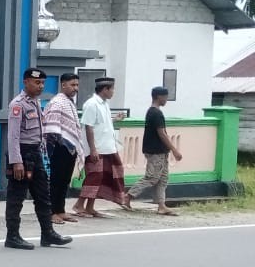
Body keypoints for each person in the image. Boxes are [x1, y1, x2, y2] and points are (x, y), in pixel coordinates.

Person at [4, 68, 72, 250]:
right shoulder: (18, 104)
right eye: (37, 83)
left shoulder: (36, 102)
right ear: (26, 82)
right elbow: (13, 136)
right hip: (22, 155)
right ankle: (12, 236)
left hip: (35, 155)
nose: (40, 86)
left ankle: (48, 234)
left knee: (43, 196)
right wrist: (16, 161)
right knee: (16, 197)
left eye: (42, 83)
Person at [73, 76, 131, 218]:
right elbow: (89, 127)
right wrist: (93, 149)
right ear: (105, 89)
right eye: (112, 89)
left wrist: (115, 119)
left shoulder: (103, 104)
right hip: (97, 149)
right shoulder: (92, 104)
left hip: (108, 148)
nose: (113, 92)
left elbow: (101, 123)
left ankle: (90, 207)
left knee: (103, 177)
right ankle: (79, 205)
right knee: (94, 176)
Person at [125, 87, 183, 215]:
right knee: (152, 177)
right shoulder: (156, 113)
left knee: (163, 178)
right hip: (155, 151)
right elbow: (162, 133)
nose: (166, 100)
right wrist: (174, 150)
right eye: (165, 97)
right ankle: (128, 196)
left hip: (160, 151)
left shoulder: (152, 112)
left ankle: (161, 205)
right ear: (159, 97)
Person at [42, 73, 86, 225]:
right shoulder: (57, 102)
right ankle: (51, 212)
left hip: (70, 148)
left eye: (77, 85)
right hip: (58, 148)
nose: (76, 88)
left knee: (64, 181)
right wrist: (59, 144)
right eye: (73, 85)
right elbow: (51, 127)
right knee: (55, 181)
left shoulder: (69, 103)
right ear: (63, 85)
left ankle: (60, 210)